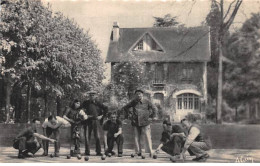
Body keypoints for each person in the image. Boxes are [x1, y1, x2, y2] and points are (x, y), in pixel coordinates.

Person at [119, 89, 158, 157]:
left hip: (145, 122)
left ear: (142, 94)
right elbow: (125, 108)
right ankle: (138, 151)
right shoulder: (133, 102)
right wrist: (128, 115)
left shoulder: (147, 101)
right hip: (135, 122)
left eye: (139, 94)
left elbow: (154, 108)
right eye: (137, 94)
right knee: (136, 137)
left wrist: (152, 116)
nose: (138, 95)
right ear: (135, 95)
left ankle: (150, 151)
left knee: (147, 136)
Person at [80, 90, 108, 156]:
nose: (92, 96)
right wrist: (83, 114)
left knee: (97, 136)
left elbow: (106, 108)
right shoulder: (85, 103)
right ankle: (87, 152)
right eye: (90, 95)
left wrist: (102, 116)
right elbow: (81, 110)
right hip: (87, 122)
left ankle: (98, 152)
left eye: (93, 95)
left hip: (95, 121)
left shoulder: (98, 102)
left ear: (95, 96)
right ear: (88, 96)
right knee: (87, 137)